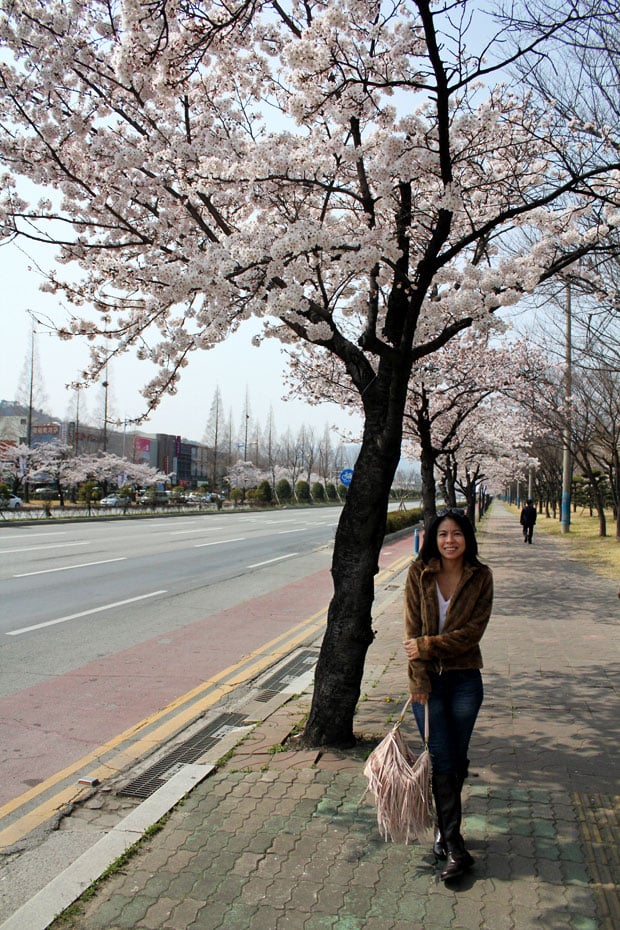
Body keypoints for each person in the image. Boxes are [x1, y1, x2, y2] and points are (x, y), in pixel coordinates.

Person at [403, 508, 493, 881]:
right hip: (429, 684)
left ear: (467, 538)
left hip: (465, 681)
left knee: (455, 759)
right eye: (442, 534)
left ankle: (444, 832)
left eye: (456, 533)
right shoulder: (417, 573)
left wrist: (426, 646)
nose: (449, 540)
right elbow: (410, 633)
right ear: (432, 538)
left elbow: (472, 634)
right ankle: (455, 846)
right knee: (441, 758)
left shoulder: (481, 577)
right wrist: (419, 681)